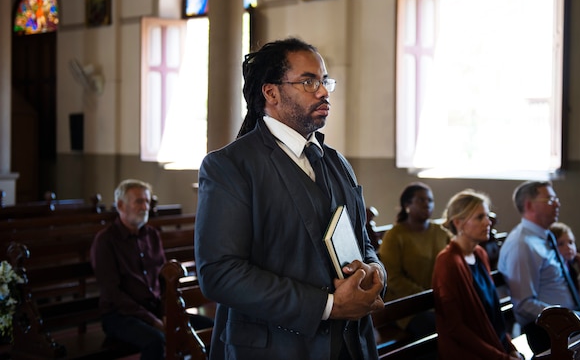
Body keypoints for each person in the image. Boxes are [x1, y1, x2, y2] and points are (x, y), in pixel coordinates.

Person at [194, 37, 386, 360]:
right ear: (271, 93)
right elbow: (220, 273)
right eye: (309, 81)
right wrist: (328, 306)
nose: (323, 91)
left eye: (324, 81)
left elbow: (363, 241)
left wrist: (376, 272)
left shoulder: (338, 163)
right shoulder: (231, 166)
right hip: (276, 349)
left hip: (353, 347)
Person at [90, 179, 213, 360]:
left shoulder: (152, 235)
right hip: (120, 315)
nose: (145, 207)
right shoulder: (106, 240)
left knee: (210, 327)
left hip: (155, 310)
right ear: (120, 205)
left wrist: (166, 312)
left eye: (147, 201)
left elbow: (163, 282)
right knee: (156, 340)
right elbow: (112, 293)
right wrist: (153, 320)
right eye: (139, 201)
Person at [497, 181, 580, 355]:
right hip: (548, 330)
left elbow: (552, 270)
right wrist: (574, 317)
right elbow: (524, 304)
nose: (557, 203)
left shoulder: (543, 235)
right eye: (549, 199)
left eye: (556, 198)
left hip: (570, 318)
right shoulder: (522, 245)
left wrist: (577, 257)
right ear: (529, 205)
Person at [432, 189, 523, 360]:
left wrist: (510, 348)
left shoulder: (480, 254)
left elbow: (493, 315)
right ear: (458, 223)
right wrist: (502, 357)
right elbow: (455, 327)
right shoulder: (448, 261)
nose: (488, 222)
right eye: (480, 217)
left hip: (493, 347)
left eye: (487, 216)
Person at [378, 182, 448, 336]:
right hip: (407, 307)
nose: (427, 204)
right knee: (440, 327)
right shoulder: (395, 235)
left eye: (430, 200)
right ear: (407, 205)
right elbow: (393, 277)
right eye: (421, 200)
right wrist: (428, 298)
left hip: (439, 301)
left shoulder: (440, 232)